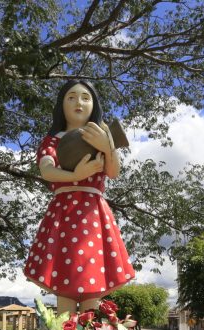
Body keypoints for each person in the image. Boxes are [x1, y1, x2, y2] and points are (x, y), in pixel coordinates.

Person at [23, 79, 135, 316]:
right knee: (64, 278)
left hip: (93, 213)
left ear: (93, 105)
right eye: (71, 97)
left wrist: (108, 147)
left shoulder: (101, 135)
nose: (78, 102)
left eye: (85, 97)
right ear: (61, 105)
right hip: (64, 211)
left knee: (91, 276)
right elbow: (46, 169)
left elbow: (113, 173)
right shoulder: (53, 140)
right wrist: (75, 174)